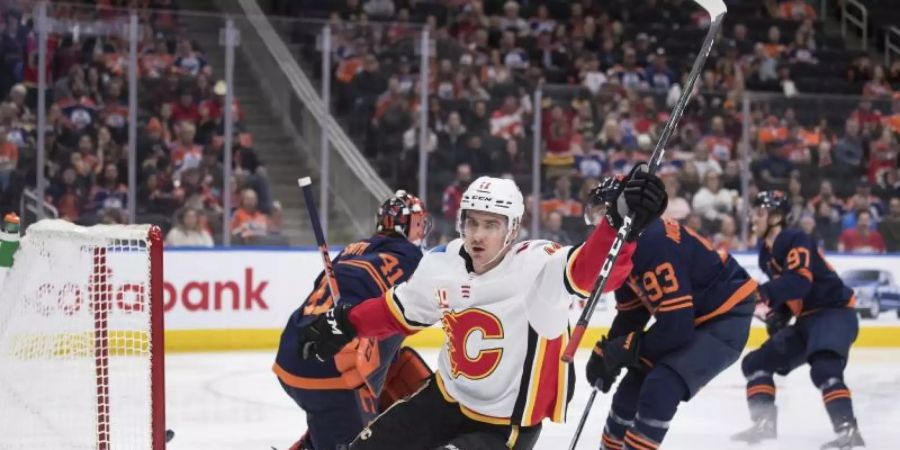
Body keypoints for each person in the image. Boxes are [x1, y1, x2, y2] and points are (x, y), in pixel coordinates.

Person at [297, 166, 668, 450]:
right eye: (472, 222)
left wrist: (620, 226)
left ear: (513, 229)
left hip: (503, 426)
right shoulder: (442, 265)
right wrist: (344, 324)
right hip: (444, 398)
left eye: (491, 225)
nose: (477, 235)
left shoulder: (539, 265)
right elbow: (397, 312)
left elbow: (593, 271)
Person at [584, 176, 757, 450]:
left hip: (724, 315)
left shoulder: (653, 242)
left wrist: (626, 347)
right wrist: (608, 351)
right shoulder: (627, 247)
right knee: (630, 389)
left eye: (601, 215)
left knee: (662, 384)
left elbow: (676, 327)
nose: (596, 227)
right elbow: (632, 315)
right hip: (691, 315)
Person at [273, 191, 433, 450]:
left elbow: (321, 290)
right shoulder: (412, 258)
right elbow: (423, 308)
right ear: (414, 225)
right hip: (333, 366)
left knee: (395, 365)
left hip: (291, 351)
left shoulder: (352, 249)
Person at [732, 191, 865, 449]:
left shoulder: (795, 238)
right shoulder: (766, 253)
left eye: (759, 213)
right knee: (756, 363)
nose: (753, 219)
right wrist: (780, 315)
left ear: (777, 217)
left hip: (834, 312)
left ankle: (849, 431)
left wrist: (763, 294)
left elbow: (800, 282)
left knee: (825, 366)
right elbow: (793, 292)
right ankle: (764, 424)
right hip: (807, 320)